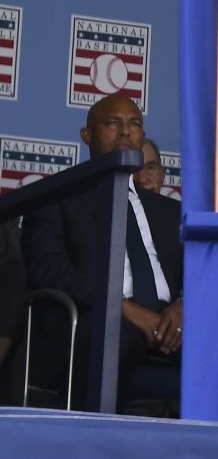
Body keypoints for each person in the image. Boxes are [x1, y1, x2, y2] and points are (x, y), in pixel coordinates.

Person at [22, 92, 183, 406]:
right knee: (116, 337)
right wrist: (121, 307)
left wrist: (183, 306)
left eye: (134, 124)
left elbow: (200, 272)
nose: (125, 131)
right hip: (94, 319)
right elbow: (49, 269)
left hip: (166, 322)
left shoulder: (168, 211)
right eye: (113, 122)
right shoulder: (56, 197)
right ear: (87, 135)